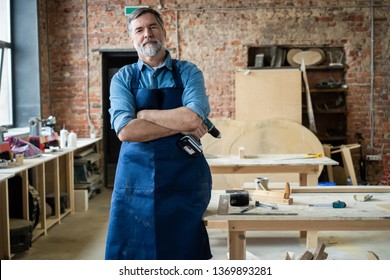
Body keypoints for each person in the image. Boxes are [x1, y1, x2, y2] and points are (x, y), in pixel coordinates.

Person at [105, 7, 213, 260]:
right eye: (139, 30)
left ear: (164, 32)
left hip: (183, 178)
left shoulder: (188, 72)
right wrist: (182, 124)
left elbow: (193, 117)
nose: (147, 34)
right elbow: (126, 131)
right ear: (132, 39)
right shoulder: (123, 78)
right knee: (133, 256)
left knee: (185, 253)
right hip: (135, 180)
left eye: (153, 27)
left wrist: (144, 115)